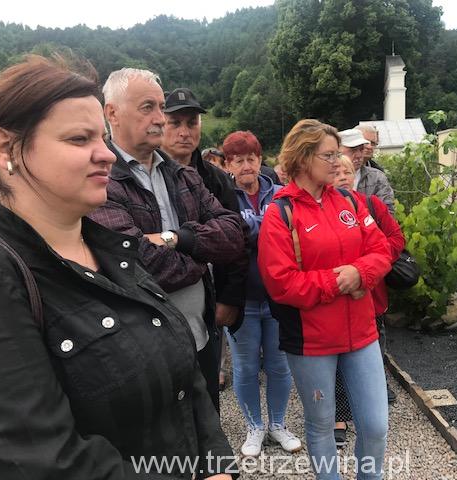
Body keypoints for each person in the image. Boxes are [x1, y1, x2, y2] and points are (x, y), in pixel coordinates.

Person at [0, 55, 235, 479]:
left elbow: (187, 380)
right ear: (5, 147)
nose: (106, 155)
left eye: (102, 138)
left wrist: (217, 466)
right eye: (79, 139)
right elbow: (36, 461)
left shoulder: (110, 248)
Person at [89, 69, 247, 413]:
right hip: (140, 348)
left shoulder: (184, 175)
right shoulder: (99, 180)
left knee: (209, 433)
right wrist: (202, 255)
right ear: (112, 113)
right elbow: (138, 264)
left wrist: (176, 238)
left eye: (161, 107)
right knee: (159, 437)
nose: (160, 118)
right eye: (147, 107)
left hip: (200, 337)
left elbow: (235, 235)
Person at [258, 119, 393, 479]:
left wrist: (360, 273)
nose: (338, 162)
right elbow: (282, 283)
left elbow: (381, 249)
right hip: (312, 341)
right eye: (329, 155)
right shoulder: (280, 213)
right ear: (303, 159)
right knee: (321, 425)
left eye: (337, 154)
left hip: (361, 333)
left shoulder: (348, 200)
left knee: (375, 425)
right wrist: (339, 281)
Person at [160, 87, 250, 395]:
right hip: (164, 298)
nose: (184, 132)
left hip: (209, 296)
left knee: (206, 387)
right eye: (175, 123)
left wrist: (230, 298)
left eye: (192, 123)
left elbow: (239, 240)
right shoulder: (142, 178)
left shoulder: (217, 179)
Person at [222, 130, 302, 457]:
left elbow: (294, 234)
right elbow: (232, 238)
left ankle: (278, 424)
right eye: (238, 160)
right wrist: (267, 228)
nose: (246, 166)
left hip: (278, 298)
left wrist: (254, 229)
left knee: (280, 365)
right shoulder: (223, 198)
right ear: (228, 165)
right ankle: (254, 426)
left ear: (260, 160)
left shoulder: (281, 194)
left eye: (251, 159)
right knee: (245, 368)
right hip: (242, 299)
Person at [331, 154, 405, 447]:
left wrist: (368, 267)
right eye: (336, 172)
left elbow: (396, 240)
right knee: (337, 360)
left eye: (348, 172)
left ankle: (368, 413)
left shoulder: (371, 205)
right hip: (337, 300)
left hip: (372, 297)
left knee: (373, 354)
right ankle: (339, 416)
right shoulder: (320, 211)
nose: (343, 177)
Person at [339, 128, 395, 216]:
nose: (358, 155)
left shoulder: (377, 178)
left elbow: (387, 213)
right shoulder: (326, 178)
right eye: (353, 150)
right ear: (338, 150)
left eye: (361, 149)